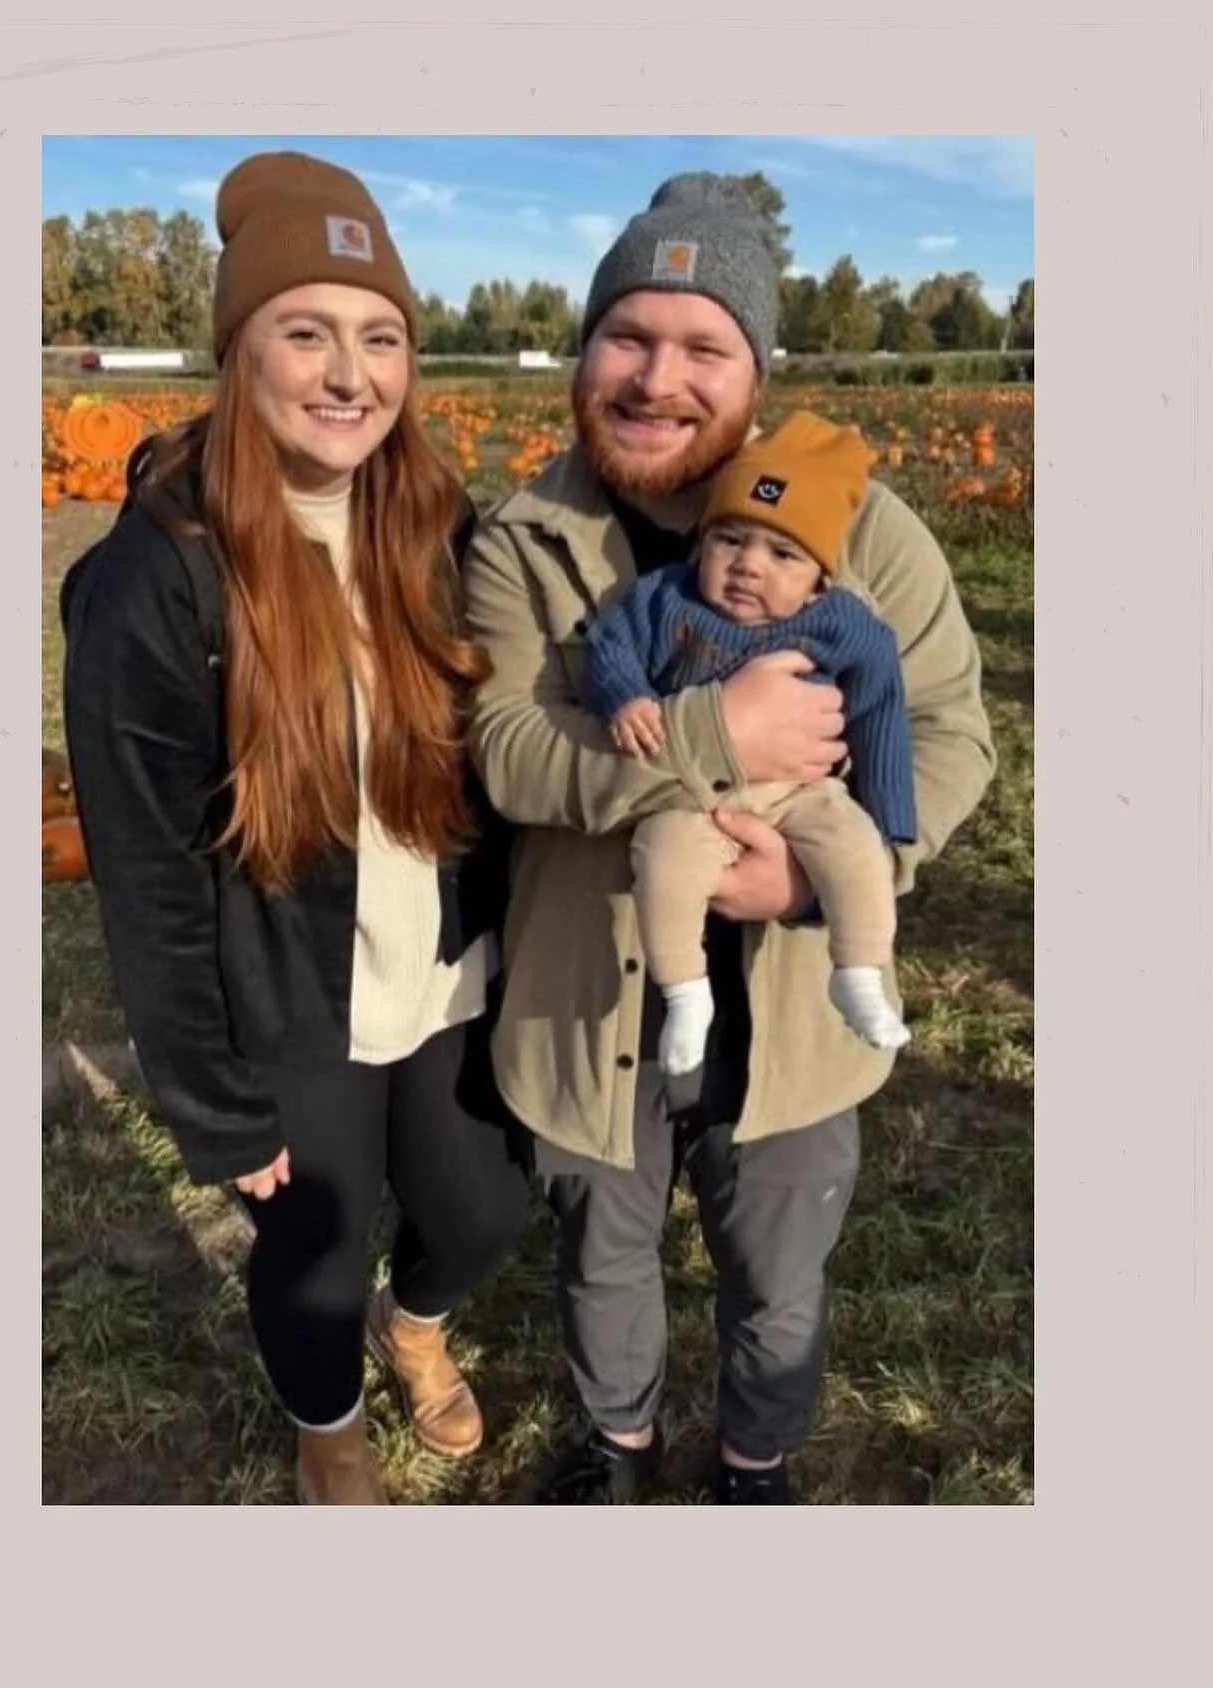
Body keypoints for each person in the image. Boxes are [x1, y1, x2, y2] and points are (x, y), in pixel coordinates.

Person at [462, 173, 996, 1504]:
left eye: (702, 346)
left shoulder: (869, 532)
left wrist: (815, 874)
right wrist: (719, 742)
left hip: (792, 1013)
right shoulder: (525, 541)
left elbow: (947, 734)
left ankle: (753, 1462)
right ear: (584, 353)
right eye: (627, 337)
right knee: (603, 1255)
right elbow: (510, 750)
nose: (657, 380)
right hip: (590, 992)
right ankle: (620, 1442)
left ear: (755, 370)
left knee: (776, 1272)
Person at [61, 151, 532, 1506]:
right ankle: (327, 1421)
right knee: (314, 1252)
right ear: (238, 352)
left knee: (482, 1211)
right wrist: (210, 1099)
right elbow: (145, 877)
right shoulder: (160, 574)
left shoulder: (439, 524)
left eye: (379, 337)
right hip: (290, 1000)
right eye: (305, 332)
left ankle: (418, 1325)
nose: (349, 373)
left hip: (442, 973)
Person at [583, 411, 917, 1084]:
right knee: (664, 859)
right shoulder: (665, 600)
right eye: (729, 540)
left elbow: (882, 706)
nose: (746, 566)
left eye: (781, 554)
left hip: (802, 790)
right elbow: (607, 647)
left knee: (858, 849)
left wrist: (890, 818)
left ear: (821, 578)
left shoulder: (843, 624)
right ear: (701, 542)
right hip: (692, 795)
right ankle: (685, 993)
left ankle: (857, 970)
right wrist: (625, 696)